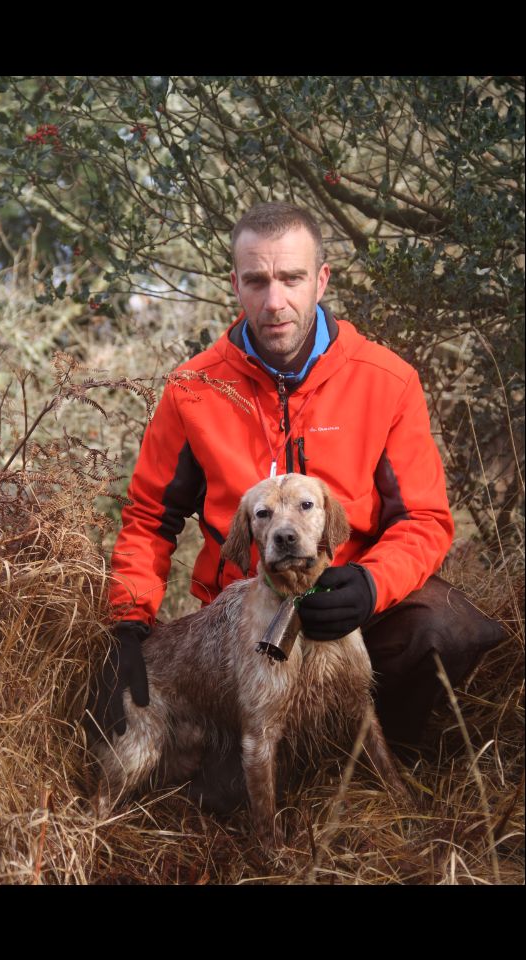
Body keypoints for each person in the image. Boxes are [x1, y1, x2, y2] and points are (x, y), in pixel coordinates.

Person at [89, 202, 505, 761]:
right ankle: (280, 759)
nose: (274, 301)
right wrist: (129, 621)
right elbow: (149, 519)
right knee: (214, 790)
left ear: (321, 279)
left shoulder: (388, 382)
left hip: (353, 612)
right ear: (235, 284)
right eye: (257, 281)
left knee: (450, 631)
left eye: (291, 278)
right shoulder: (193, 390)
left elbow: (423, 520)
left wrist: (370, 585)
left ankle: (381, 761)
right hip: (244, 627)